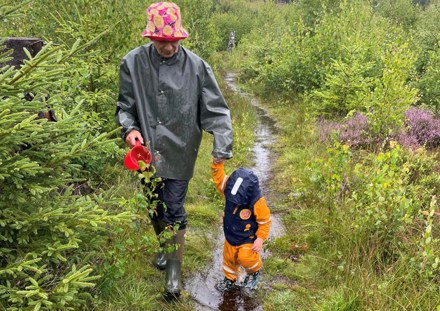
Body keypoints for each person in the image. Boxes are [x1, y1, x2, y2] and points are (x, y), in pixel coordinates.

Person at [115, 1, 233, 298]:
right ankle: (167, 250)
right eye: (161, 41)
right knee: (153, 204)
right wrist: (130, 130)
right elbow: (124, 107)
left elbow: (217, 111)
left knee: (175, 207)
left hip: (181, 149)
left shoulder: (196, 67)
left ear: (180, 37)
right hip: (146, 152)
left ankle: (173, 273)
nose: (168, 47)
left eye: (173, 41)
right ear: (150, 37)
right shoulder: (132, 63)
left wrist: (222, 145)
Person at [211, 160, 271, 291]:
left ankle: (254, 272)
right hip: (231, 234)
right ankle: (230, 279)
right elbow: (219, 179)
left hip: (247, 236)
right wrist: (217, 164)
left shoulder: (258, 202)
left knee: (246, 257)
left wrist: (260, 238)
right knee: (229, 258)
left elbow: (265, 221)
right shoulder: (229, 187)